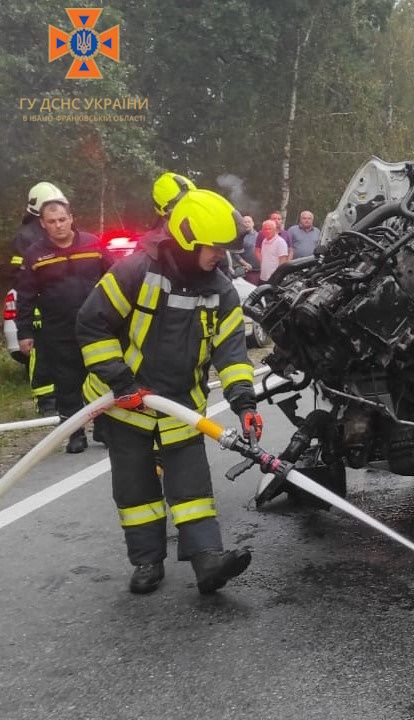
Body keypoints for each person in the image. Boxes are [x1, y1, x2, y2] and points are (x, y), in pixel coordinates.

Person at [76, 187, 261, 595]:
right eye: (215, 248)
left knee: (193, 487)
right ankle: (146, 561)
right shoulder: (135, 271)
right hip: (125, 404)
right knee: (136, 487)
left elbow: (231, 354)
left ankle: (208, 560)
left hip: (181, 407)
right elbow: (92, 324)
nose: (221, 257)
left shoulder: (221, 291)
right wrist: (121, 380)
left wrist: (244, 401)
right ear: (188, 237)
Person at [16, 196, 111, 452]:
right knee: (67, 383)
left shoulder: (94, 244)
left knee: (102, 378)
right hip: (58, 329)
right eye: (52, 221)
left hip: (96, 326)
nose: (58, 225)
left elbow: (114, 279)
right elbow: (24, 297)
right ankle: (75, 433)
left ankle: (104, 429)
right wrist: (23, 332)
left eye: (62, 219)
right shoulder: (34, 255)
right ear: (43, 224)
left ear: (71, 218)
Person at [9, 182, 64, 416]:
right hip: (38, 305)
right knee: (40, 354)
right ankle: (46, 402)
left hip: (57, 304)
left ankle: (58, 401)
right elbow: (19, 275)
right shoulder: (26, 237)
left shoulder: (43, 232)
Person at [237, 215, 260, 284]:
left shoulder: (259, 236)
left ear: (253, 223)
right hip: (246, 272)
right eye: (245, 222)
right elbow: (235, 253)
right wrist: (245, 263)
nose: (247, 224)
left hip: (260, 271)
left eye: (248, 222)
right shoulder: (240, 237)